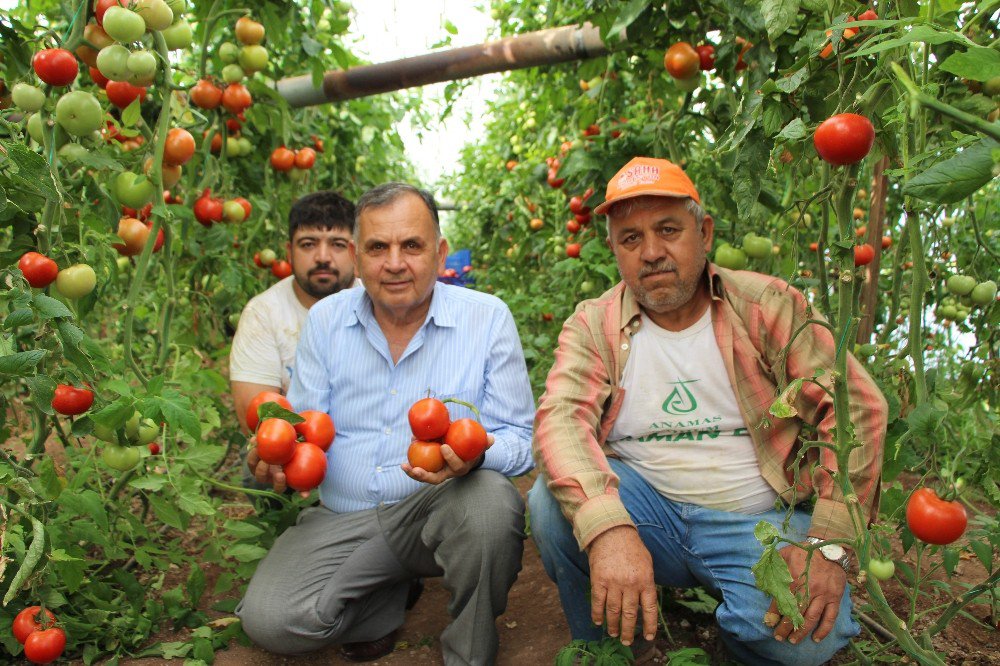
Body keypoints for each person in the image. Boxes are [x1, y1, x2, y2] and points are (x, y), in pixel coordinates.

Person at [529, 157, 887, 665]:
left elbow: (856, 407)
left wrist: (828, 543)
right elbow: (561, 419)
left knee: (809, 646)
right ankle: (610, 646)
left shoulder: (765, 306)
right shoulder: (594, 325)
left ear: (705, 232)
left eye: (669, 230)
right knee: (549, 506)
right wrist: (609, 527)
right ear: (613, 250)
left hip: (753, 523)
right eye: (630, 239)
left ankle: (736, 636)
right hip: (647, 515)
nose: (652, 252)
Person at [235, 183, 535, 664]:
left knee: (490, 503)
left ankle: (470, 649)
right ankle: (382, 601)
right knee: (270, 621)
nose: (394, 263)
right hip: (343, 517)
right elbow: (305, 429)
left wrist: (473, 454)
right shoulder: (328, 321)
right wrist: (276, 455)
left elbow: (522, 440)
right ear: (357, 255)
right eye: (378, 247)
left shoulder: (487, 320)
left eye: (411, 246)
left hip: (437, 513)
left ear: (439, 254)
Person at [230, 190, 359, 433]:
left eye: (338, 245)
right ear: (289, 252)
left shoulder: (379, 304)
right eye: (308, 244)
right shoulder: (263, 313)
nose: (323, 257)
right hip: (291, 456)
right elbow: (261, 424)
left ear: (355, 252)